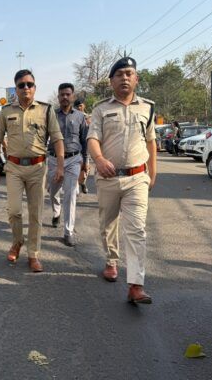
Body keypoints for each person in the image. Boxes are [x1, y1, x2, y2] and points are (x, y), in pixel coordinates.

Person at [87, 57, 157, 304]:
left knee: (137, 229)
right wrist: (98, 159)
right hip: (108, 178)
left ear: (136, 78)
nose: (125, 78)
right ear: (111, 81)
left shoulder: (148, 108)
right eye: (119, 74)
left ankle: (136, 285)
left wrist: (152, 173)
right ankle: (111, 260)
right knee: (108, 224)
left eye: (129, 73)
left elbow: (151, 141)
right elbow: (92, 138)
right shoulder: (100, 109)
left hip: (137, 177)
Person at [0, 69, 64, 272]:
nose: (26, 88)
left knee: (35, 213)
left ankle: (33, 254)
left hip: (37, 168)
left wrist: (60, 166)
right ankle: (17, 241)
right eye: (21, 85)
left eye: (29, 84)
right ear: (16, 88)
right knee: (14, 211)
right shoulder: (6, 111)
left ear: (35, 88)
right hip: (13, 167)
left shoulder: (46, 110)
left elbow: (57, 138)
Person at [47, 83, 88, 247]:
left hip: (73, 159)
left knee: (70, 194)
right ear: (58, 97)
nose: (65, 97)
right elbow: (44, 138)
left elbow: (84, 140)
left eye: (68, 94)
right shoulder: (51, 115)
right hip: (53, 159)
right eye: (62, 94)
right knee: (53, 191)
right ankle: (56, 212)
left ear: (73, 96)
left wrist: (85, 163)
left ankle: (68, 232)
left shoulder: (80, 117)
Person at [74, 98, 90, 194]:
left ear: (84, 106)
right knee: (75, 168)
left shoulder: (89, 118)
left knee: (85, 168)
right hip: (76, 147)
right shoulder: (72, 117)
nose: (79, 108)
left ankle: (82, 183)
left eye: (80, 105)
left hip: (86, 147)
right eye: (77, 106)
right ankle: (75, 186)